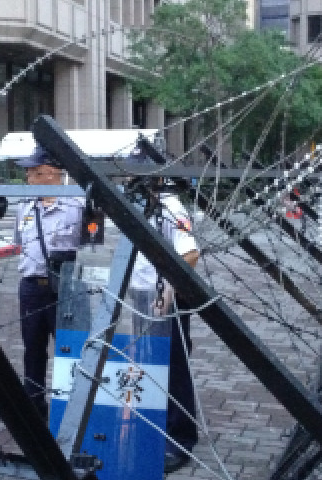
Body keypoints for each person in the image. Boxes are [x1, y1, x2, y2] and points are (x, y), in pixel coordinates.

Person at [126, 155, 200, 474]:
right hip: (143, 297)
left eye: (135, 175)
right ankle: (156, 428)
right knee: (150, 363)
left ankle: (180, 439)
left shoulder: (171, 207)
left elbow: (189, 253)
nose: (129, 181)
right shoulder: (143, 205)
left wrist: (166, 294)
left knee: (173, 367)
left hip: (165, 300)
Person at [13, 146, 84, 420]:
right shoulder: (25, 207)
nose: (29, 178)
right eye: (29, 173)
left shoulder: (76, 208)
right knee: (32, 348)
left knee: (69, 346)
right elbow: (19, 243)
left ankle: (71, 408)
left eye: (34, 173)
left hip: (64, 288)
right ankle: (34, 407)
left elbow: (90, 247)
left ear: (52, 174)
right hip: (31, 286)